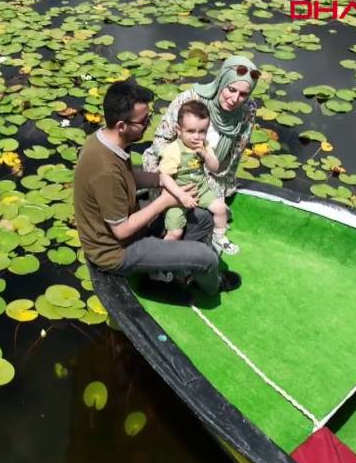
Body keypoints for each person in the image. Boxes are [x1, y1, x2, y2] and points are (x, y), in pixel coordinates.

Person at [73, 79, 240, 296]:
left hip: (128, 217)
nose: (148, 124)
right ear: (122, 126)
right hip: (115, 251)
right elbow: (121, 230)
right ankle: (211, 287)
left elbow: (129, 176)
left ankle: (166, 272)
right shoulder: (105, 170)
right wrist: (165, 201)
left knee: (205, 219)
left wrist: (161, 179)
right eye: (143, 121)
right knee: (206, 258)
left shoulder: (105, 139)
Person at [142, 55, 260, 203]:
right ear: (221, 82)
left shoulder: (247, 109)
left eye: (243, 94)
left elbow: (235, 155)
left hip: (213, 173)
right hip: (175, 169)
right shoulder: (190, 99)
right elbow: (161, 141)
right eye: (231, 90)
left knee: (213, 214)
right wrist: (175, 178)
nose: (235, 99)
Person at [152, 99, 239, 255]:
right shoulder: (174, 150)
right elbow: (164, 177)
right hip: (176, 195)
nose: (197, 137)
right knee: (175, 232)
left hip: (200, 188)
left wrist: (206, 155)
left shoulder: (204, 146)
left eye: (202, 131)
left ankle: (218, 237)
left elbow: (215, 168)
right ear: (179, 130)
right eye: (191, 131)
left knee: (221, 209)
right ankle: (159, 259)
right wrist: (181, 195)